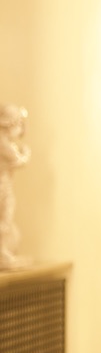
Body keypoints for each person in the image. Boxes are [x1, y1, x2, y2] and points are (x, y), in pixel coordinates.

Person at [0, 104, 30, 270]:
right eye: (19, 125)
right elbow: (18, 160)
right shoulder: (3, 143)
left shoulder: (6, 143)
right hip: (2, 187)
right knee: (5, 218)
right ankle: (2, 251)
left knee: (6, 218)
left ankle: (3, 250)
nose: (21, 130)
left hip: (5, 186)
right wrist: (26, 153)